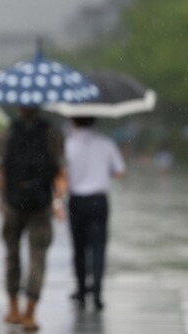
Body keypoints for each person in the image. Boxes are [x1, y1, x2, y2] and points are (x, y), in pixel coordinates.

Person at [0, 106, 66, 332]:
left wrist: (2, 201)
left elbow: (0, 171)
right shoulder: (52, 132)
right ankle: (30, 313)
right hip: (41, 205)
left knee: (11, 256)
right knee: (38, 258)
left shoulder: (7, 132)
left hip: (14, 204)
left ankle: (13, 309)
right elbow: (61, 171)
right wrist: (57, 201)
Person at [65, 117, 125, 311]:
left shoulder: (68, 145)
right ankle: (98, 293)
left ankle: (81, 291)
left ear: (73, 121)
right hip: (99, 201)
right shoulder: (106, 143)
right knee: (98, 247)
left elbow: (62, 175)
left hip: (77, 201)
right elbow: (120, 172)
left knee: (79, 247)